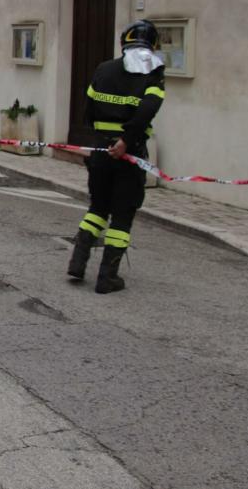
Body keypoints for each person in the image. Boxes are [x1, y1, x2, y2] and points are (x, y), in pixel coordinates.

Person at [67, 19, 165, 293]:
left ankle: (78, 262)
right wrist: (125, 140)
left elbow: (89, 107)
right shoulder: (153, 72)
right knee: (122, 215)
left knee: (97, 207)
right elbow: (148, 110)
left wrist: (100, 138)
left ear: (125, 42)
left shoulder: (103, 68)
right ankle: (107, 277)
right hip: (128, 153)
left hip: (100, 150)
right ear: (152, 45)